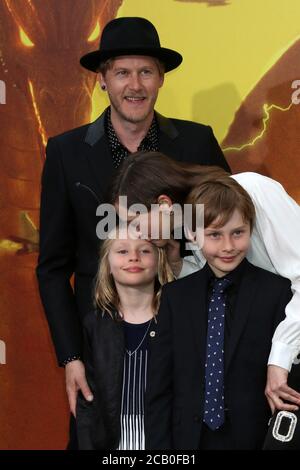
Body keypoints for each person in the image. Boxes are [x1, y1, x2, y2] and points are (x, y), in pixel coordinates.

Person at [36, 16, 229, 445]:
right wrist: (71, 356)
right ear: (103, 79)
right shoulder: (66, 152)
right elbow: (52, 267)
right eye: (122, 72)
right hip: (101, 342)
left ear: (161, 78)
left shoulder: (197, 144)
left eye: (145, 72)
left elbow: (228, 230)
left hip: (185, 336)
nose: (135, 85)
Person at [111, 151, 300, 412]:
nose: (137, 234)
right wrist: (175, 258)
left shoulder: (254, 190)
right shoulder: (189, 235)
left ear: (164, 204)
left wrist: (281, 357)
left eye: (136, 222)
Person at [145, 175, 294, 449]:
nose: (227, 246)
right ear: (193, 234)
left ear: (252, 229)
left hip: (255, 440)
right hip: (188, 442)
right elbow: (159, 389)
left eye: (238, 232)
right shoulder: (174, 297)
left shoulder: (278, 293)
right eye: (214, 234)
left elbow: (287, 389)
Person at [75, 226, 173, 450]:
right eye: (122, 251)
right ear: (107, 265)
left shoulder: (176, 321)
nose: (133, 257)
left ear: (160, 261)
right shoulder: (95, 325)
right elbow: (89, 404)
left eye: (145, 251)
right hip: (113, 444)